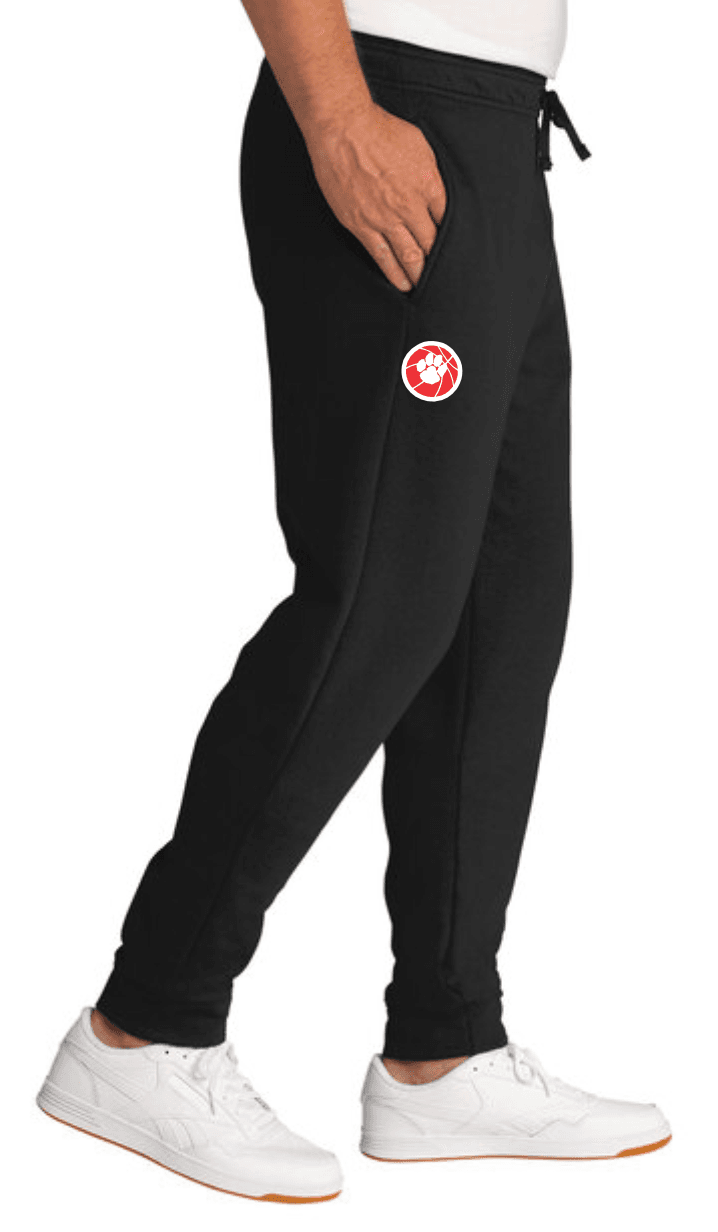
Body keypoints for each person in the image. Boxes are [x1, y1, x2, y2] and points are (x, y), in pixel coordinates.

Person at [36, 0, 671, 1204]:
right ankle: (146, 1021)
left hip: (499, 132)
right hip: (390, 106)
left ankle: (445, 1044)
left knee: (502, 602)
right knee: (383, 597)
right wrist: (334, 115)